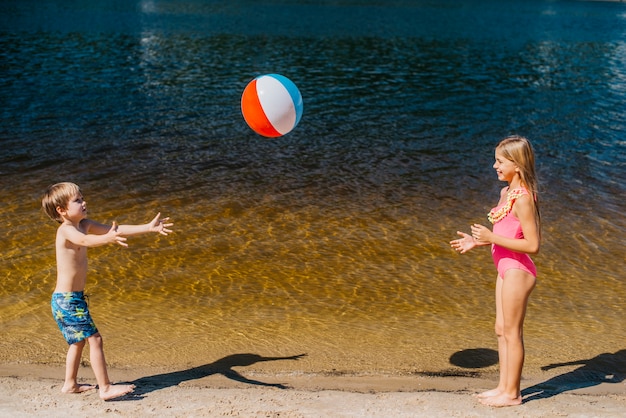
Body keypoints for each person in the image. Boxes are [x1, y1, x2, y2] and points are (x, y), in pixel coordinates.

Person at [41, 182, 173, 400]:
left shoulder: (84, 224)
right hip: (67, 300)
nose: (84, 203)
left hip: (70, 299)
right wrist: (107, 239)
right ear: (61, 210)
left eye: (82, 198)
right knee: (95, 340)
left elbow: (116, 229)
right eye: (77, 200)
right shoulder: (66, 230)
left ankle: (70, 384)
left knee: (78, 342)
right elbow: (85, 241)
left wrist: (147, 228)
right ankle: (105, 388)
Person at [450, 135, 541, 407]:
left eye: (500, 161)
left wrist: (491, 238)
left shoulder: (523, 198)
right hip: (504, 269)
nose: (494, 166)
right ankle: (503, 387)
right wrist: (477, 241)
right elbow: (504, 232)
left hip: (518, 270)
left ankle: (512, 394)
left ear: (517, 164)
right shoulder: (506, 194)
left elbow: (533, 245)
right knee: (501, 329)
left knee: (512, 332)